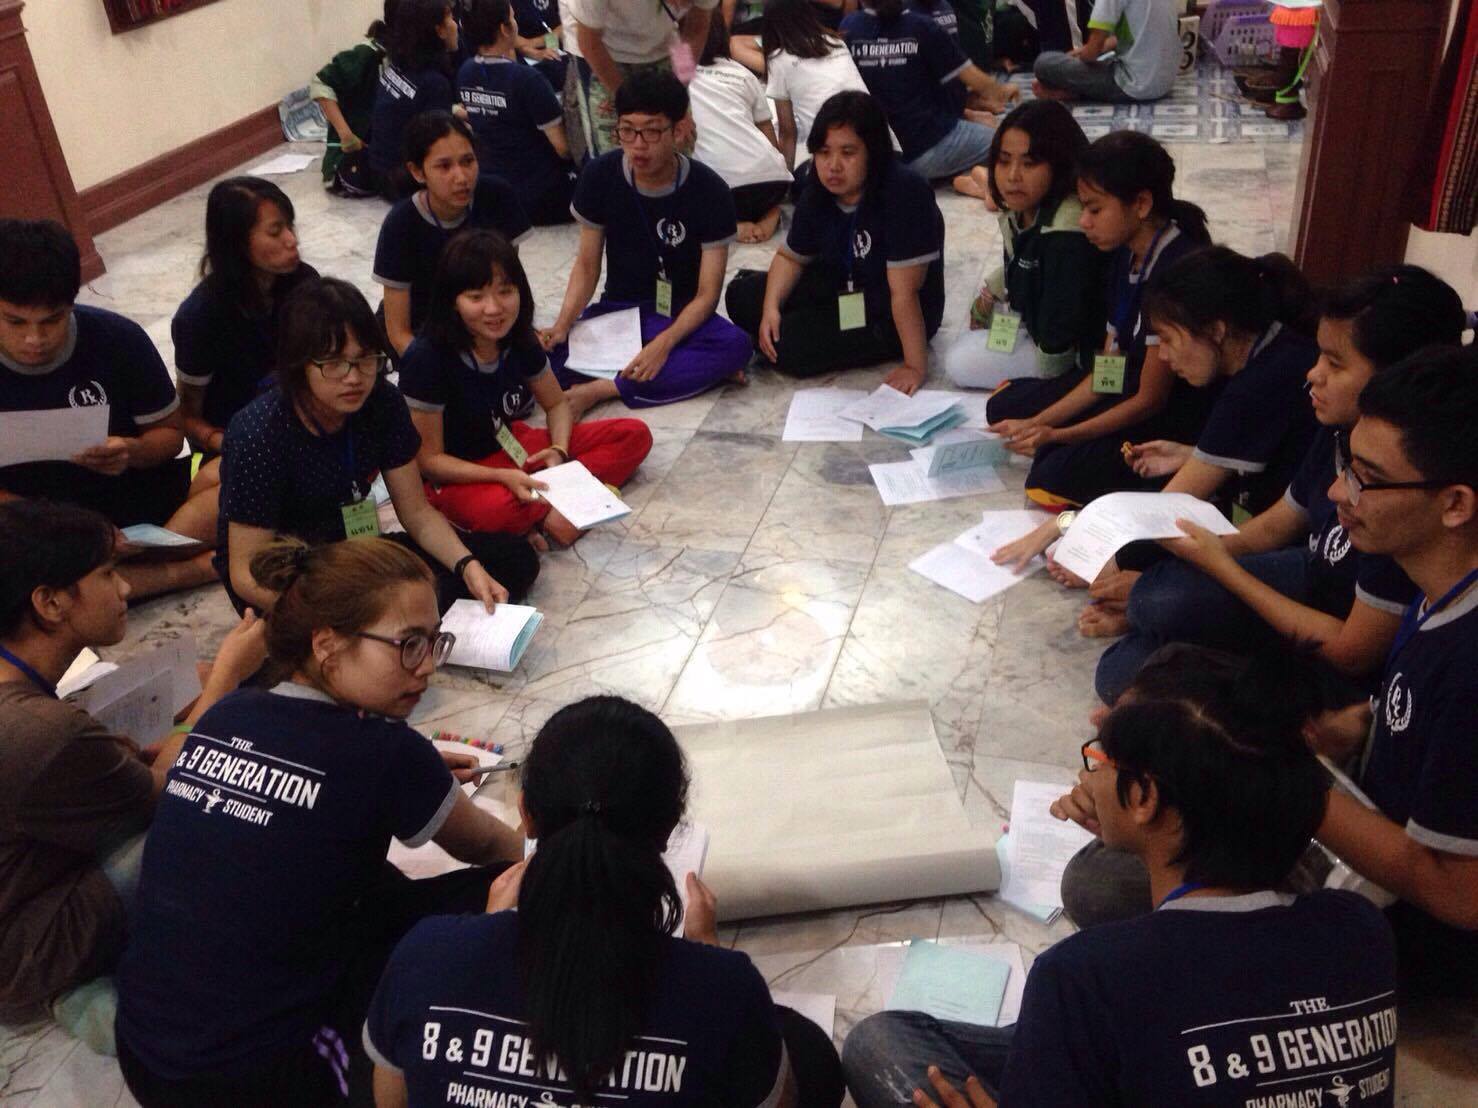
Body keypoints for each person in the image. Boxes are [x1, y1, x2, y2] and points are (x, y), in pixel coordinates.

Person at [843, 645, 1400, 1108]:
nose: (1090, 770)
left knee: (882, 1045)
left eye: (1102, 759)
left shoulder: (1083, 976)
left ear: (1144, 796)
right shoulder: (1359, 928)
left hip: (1103, 1017)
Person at [115, 536, 526, 1104]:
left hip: (143, 1050)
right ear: (328, 644)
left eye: (435, 641)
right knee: (507, 891)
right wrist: (541, 829)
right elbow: (494, 848)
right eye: (408, 645)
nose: (428, 666)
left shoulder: (227, 712)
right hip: (253, 1080)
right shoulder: (385, 751)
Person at [366, 694, 847, 1108]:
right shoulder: (724, 989)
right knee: (807, 1054)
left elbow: (393, 1099)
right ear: (669, 830)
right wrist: (708, 948)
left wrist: (483, 937)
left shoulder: (425, 955)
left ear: (526, 815)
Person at [1092, 266, 1467, 703]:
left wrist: (1220, 569)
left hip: (1338, 645)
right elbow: (1278, 524)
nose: (1313, 374)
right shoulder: (1340, 426)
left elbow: (1352, 653)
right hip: (1315, 578)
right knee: (1156, 600)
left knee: (1131, 661)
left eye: (1335, 363)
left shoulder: (1405, 504)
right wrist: (1207, 554)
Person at [0, 501, 264, 1053]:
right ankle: (74, 984)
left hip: (25, 881)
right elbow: (172, 790)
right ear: (49, 602)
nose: (124, 589)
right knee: (222, 801)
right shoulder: (43, 733)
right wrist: (226, 677)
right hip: (23, 949)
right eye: (107, 574)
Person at [1308, 345, 1478, 998]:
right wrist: (1350, 726)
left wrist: (1281, 780)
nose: (1337, 492)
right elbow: (1413, 715)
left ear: (1455, 503)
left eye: (1367, 479)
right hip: (1379, 841)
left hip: (1425, 936)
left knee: (1115, 885)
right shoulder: (1436, 583)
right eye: (1346, 464)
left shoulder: (1468, 663)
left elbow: (1460, 895)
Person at [215, 276, 540, 617]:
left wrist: (467, 566)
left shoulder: (382, 402)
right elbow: (246, 574)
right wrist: (337, 617)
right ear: (299, 365)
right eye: (334, 364)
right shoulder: (259, 434)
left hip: (353, 549)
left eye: (365, 359)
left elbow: (417, 513)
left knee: (511, 559)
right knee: (388, 617)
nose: (354, 378)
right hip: (287, 576)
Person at [985, 131, 1212, 507]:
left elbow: (1149, 400)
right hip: (1123, 385)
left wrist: (1060, 435)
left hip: (1162, 412)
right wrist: (1041, 422)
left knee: (1049, 479)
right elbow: (1109, 371)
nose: (1084, 222)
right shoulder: (1125, 254)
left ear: (1141, 204)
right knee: (1003, 407)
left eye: (1094, 209)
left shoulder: (1175, 273)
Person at [0, 220, 217, 601]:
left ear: (72, 303)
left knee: (236, 472)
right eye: (15, 322)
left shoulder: (117, 338)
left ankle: (108, 578)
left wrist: (132, 451)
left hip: (132, 502)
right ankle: (183, 570)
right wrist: (67, 528)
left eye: (51, 320)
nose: (34, 339)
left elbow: (170, 435)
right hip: (33, 525)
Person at [400, 230, 653, 546]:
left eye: (505, 292)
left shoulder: (518, 336)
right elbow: (430, 461)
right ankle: (561, 509)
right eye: (476, 297)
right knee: (499, 512)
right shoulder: (426, 358)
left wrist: (558, 450)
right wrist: (501, 477)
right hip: (460, 474)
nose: (494, 308)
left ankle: (546, 512)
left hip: (512, 447)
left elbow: (556, 404)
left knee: (632, 435)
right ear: (452, 302)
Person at [540, 70, 751, 418]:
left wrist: (664, 345)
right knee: (546, 361)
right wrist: (563, 324)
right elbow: (587, 266)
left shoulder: (709, 190)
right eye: (627, 130)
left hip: (680, 316)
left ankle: (606, 388)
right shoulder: (600, 175)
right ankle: (677, 373)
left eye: (651, 131)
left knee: (736, 346)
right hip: (619, 313)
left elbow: (707, 294)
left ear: (678, 130)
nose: (638, 144)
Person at [726, 92, 945, 393]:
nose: (833, 165)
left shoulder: (904, 192)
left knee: (792, 344)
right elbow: (791, 257)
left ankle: (788, 333)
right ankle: (782, 328)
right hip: (842, 282)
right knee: (741, 295)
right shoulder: (818, 186)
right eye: (824, 152)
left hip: (889, 309)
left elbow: (905, 292)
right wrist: (771, 309)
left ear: (873, 151)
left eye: (848, 153)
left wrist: (915, 366)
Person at [941, 101, 1106, 391]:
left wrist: (1046, 389)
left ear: (1059, 164)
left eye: (1029, 164)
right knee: (975, 338)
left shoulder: (1067, 231)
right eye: (1004, 161)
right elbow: (1021, 258)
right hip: (1032, 319)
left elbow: (1061, 326)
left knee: (959, 362)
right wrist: (992, 289)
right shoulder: (1025, 205)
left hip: (1071, 354)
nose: (1013, 176)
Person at [173, 177, 318, 488]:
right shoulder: (200, 317)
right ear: (236, 243)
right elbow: (186, 416)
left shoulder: (305, 283)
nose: (292, 240)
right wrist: (227, 442)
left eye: (290, 226)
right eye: (275, 232)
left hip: (307, 429)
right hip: (238, 447)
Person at [373, 111, 533, 356]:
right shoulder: (401, 224)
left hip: (484, 329)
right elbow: (399, 332)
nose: (461, 177)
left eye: (468, 161)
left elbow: (506, 284)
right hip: (425, 339)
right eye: (444, 166)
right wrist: (438, 370)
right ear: (418, 172)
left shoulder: (498, 198)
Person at [841, 0, 1015, 181]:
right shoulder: (922, 26)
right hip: (924, 147)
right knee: (1008, 144)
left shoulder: (849, 26)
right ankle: (973, 180)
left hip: (878, 154)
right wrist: (1003, 91)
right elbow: (976, 80)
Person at [458, 0, 580, 227]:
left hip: (493, 189)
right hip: (538, 194)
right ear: (505, 29)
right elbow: (563, 149)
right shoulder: (528, 80)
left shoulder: (466, 72)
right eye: (513, 18)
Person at [566, 0, 720, 157]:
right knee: (617, 150)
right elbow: (589, 43)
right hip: (606, 53)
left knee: (679, 142)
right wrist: (631, 104)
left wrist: (678, 97)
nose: (681, 5)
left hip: (663, 45)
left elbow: (695, 28)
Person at [690, 16, 792, 243]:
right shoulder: (741, 73)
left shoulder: (678, 74)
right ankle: (771, 212)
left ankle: (731, 226)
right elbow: (767, 131)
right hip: (773, 183)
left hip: (723, 191)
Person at [760, 0, 879, 176]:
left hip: (843, 158)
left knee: (803, 177)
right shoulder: (836, 42)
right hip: (881, 141)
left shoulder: (778, 59)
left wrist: (785, 179)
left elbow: (787, 132)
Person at [368, 0, 462, 197]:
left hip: (378, 168)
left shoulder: (399, 64)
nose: (456, 25)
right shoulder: (434, 82)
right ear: (439, 30)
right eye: (451, 18)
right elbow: (440, 144)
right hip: (402, 180)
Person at [311, 0, 397, 194]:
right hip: (353, 155)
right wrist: (346, 135)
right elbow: (320, 82)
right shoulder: (367, 54)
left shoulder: (415, 56)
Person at [1033, 0, 1180, 104]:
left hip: (1136, 85)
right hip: (1166, 81)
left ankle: (1071, 93)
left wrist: (1072, 61)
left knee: (1044, 63)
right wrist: (1086, 52)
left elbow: (1091, 54)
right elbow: (1130, 37)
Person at [510, 0, 568, 93]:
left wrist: (535, 43)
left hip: (555, 47)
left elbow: (564, 25)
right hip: (522, 55)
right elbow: (506, 34)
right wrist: (534, 52)